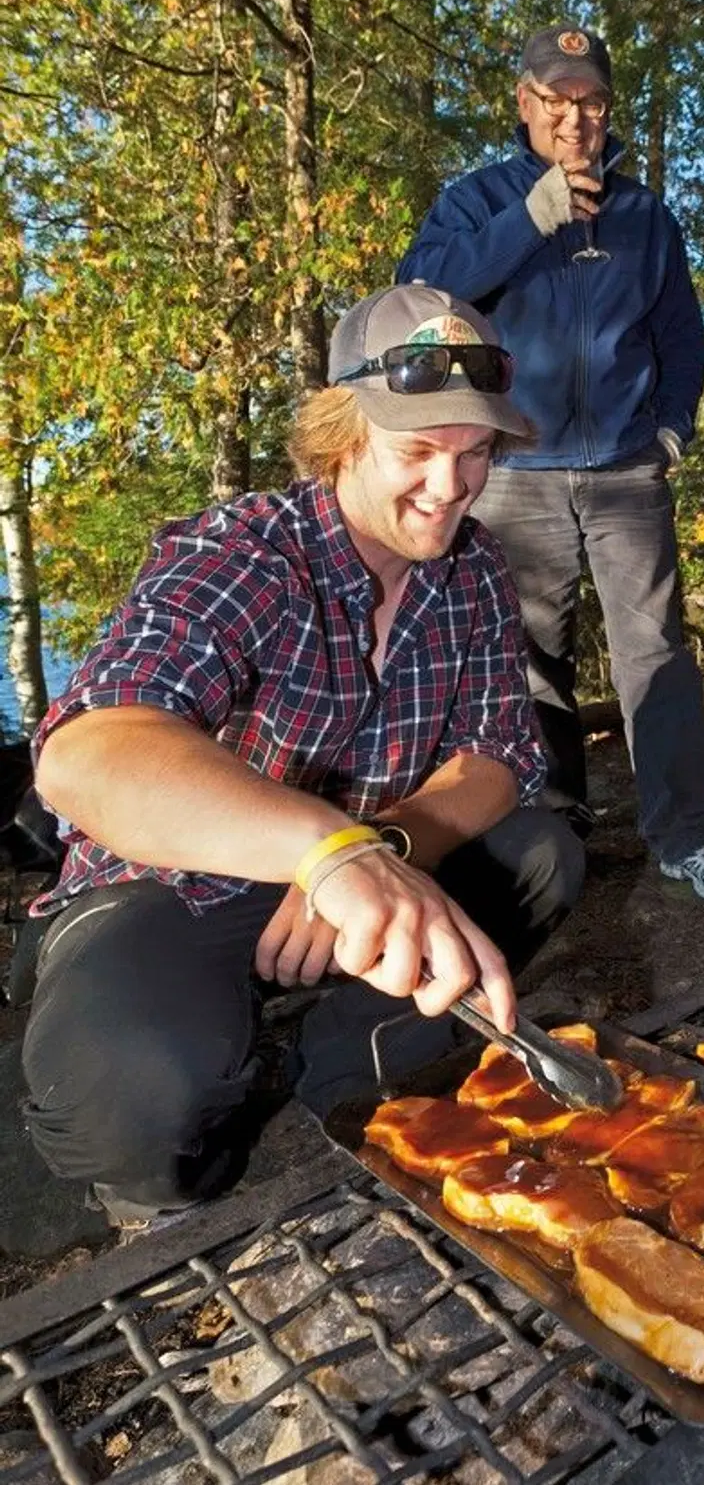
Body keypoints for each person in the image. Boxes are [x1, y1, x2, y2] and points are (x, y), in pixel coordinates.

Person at [21, 284, 585, 1225]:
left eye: (475, 452)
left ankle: (318, 1065)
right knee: (141, 1105)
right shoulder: (243, 551)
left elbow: (498, 753)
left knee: (544, 852)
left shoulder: (475, 568)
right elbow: (89, 754)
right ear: (343, 433)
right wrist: (323, 853)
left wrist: (385, 848)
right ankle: (178, 1148)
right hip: (175, 886)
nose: (450, 488)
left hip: (351, 887)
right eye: (417, 451)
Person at [399, 22, 704, 902]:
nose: (574, 119)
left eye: (590, 101)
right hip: (513, 471)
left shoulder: (644, 217)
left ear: (606, 111)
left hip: (627, 474)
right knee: (529, 662)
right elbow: (423, 297)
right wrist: (532, 218)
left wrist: (670, 429)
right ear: (524, 104)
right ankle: (555, 834)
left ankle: (687, 836)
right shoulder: (476, 203)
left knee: (656, 657)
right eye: (555, 100)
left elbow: (681, 337)